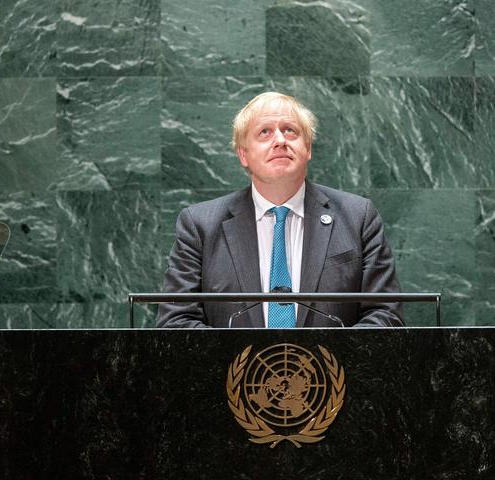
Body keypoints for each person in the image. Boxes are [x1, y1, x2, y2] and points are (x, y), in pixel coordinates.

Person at [157, 91, 404, 328]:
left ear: (308, 149)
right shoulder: (199, 225)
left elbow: (385, 314)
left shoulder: (358, 217)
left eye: (290, 131)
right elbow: (176, 322)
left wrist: (326, 364)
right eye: (265, 132)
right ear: (243, 154)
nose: (280, 140)